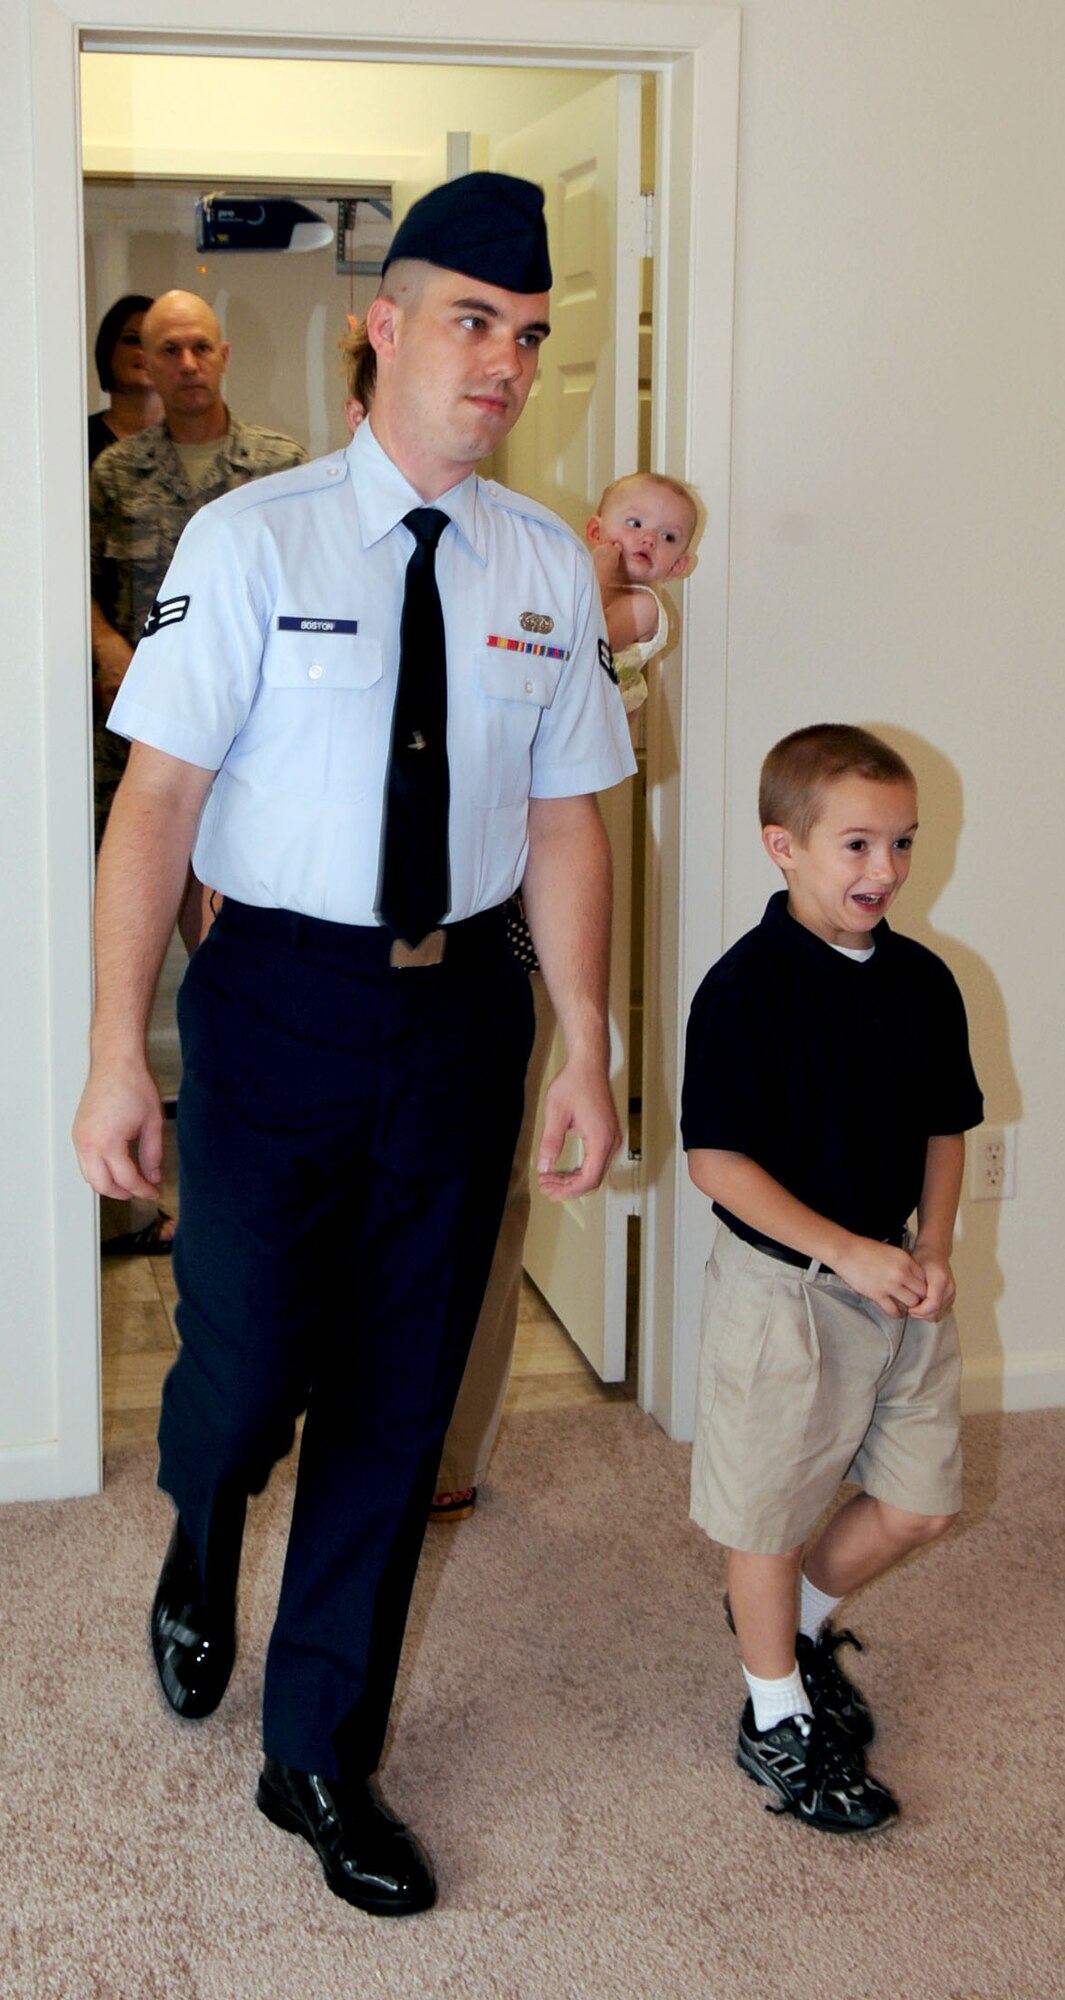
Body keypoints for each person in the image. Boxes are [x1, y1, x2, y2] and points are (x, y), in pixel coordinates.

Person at [72, 172, 636, 1916]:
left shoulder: (541, 566)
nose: (502, 366)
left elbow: (564, 822)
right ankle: (198, 1517)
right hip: (276, 1007)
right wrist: (117, 1051)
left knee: (398, 1397)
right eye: (471, 322)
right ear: (381, 330)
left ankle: (315, 1753)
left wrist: (584, 1041)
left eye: (528, 339)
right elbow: (156, 800)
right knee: (243, 1366)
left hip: (460, 1011)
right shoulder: (254, 541)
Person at [681, 724, 982, 1833]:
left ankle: (795, 1625)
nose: (885, 869)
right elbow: (715, 1157)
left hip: (900, 1277)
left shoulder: (925, 980)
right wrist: (842, 1249)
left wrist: (934, 1244)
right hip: (785, 1294)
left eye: (902, 842)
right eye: (856, 843)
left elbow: (948, 1125)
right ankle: (773, 1711)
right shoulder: (745, 987)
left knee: (920, 1502)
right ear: (784, 846)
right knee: (764, 1510)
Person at [432, 469, 706, 1522]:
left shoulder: (614, 601)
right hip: (433, 901)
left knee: (493, 1179)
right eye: (631, 523)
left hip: (535, 901)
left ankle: (449, 1446)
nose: (645, 542)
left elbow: (580, 623)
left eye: (667, 535)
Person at [90, 291, 307, 1257]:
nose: (181, 363)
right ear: (142, 359)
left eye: (196, 346)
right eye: (162, 348)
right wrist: (124, 665)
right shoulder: (111, 472)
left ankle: (224, 1189)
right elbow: (79, 595)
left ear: (223, 354)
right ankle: (129, 1176)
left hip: (251, 765)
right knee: (128, 977)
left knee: (229, 977)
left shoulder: (281, 469)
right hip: (137, 761)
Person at [585, 471, 706, 717]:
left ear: (677, 566)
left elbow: (587, 636)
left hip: (602, 734)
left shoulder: (644, 605)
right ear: (596, 532)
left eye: (668, 537)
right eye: (635, 524)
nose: (649, 539)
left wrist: (599, 572)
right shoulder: (578, 581)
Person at [87, 294, 163, 463]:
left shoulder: (189, 441)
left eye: (153, 342)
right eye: (131, 340)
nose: (142, 351)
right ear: (107, 351)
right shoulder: (79, 440)